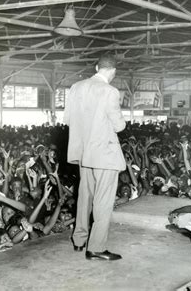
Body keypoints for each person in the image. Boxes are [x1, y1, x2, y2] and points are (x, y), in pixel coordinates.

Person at [64, 53, 126, 261]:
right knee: (103, 200)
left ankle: (79, 240)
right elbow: (119, 125)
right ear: (113, 71)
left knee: (85, 196)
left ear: (96, 68)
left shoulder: (76, 88)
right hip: (104, 154)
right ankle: (96, 248)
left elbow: (68, 120)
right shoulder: (110, 91)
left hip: (84, 153)